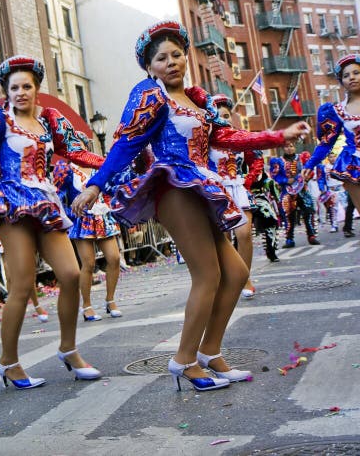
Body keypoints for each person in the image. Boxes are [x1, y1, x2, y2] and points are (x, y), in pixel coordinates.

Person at [72, 21, 308, 391]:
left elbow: (227, 137)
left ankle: (210, 352)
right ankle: (183, 360)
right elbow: (126, 144)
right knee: (208, 275)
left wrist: (278, 136)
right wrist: (94, 185)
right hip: (173, 189)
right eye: (161, 58)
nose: (171, 62)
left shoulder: (199, 101)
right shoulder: (150, 95)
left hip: (202, 186)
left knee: (234, 273)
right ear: (150, 67)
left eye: (177, 55)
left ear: (186, 59)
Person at [0, 55, 105, 389]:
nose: (21, 92)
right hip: (11, 202)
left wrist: (108, 164)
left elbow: (77, 153)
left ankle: (68, 348)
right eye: (14, 87)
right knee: (22, 285)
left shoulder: (49, 121)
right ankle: (8, 361)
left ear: (36, 89)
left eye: (26, 86)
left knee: (71, 274)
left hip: (45, 201)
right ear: (6, 92)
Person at [53, 157, 123, 320]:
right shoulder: (67, 169)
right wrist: (71, 213)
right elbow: (59, 196)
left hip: (102, 216)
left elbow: (110, 188)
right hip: (82, 220)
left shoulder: (97, 165)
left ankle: (110, 300)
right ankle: (87, 306)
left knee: (114, 258)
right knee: (89, 263)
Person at [208, 95, 260, 298]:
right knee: (225, 239)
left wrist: (247, 181)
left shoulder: (240, 137)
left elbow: (255, 160)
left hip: (238, 188)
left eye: (227, 115)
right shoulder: (207, 142)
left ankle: (245, 277)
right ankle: (229, 278)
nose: (224, 119)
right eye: (219, 116)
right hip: (218, 191)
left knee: (244, 234)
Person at [303, 54, 360, 224]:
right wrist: (310, 164)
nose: (351, 77)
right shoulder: (337, 111)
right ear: (341, 81)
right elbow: (326, 143)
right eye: (346, 75)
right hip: (354, 164)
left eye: (356, 72)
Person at [249, 167, 282, 263]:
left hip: (260, 203)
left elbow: (276, 195)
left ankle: (271, 251)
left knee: (271, 222)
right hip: (246, 201)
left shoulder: (268, 181)